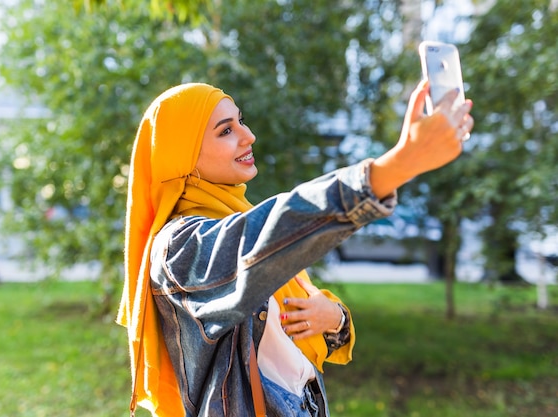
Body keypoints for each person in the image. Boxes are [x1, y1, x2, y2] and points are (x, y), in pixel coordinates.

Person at [116, 80, 474, 417]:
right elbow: (272, 233)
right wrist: (397, 165)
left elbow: (301, 325)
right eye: (226, 131)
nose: (248, 136)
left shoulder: (235, 216)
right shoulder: (179, 250)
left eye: (241, 122)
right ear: (182, 156)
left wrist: (336, 319)